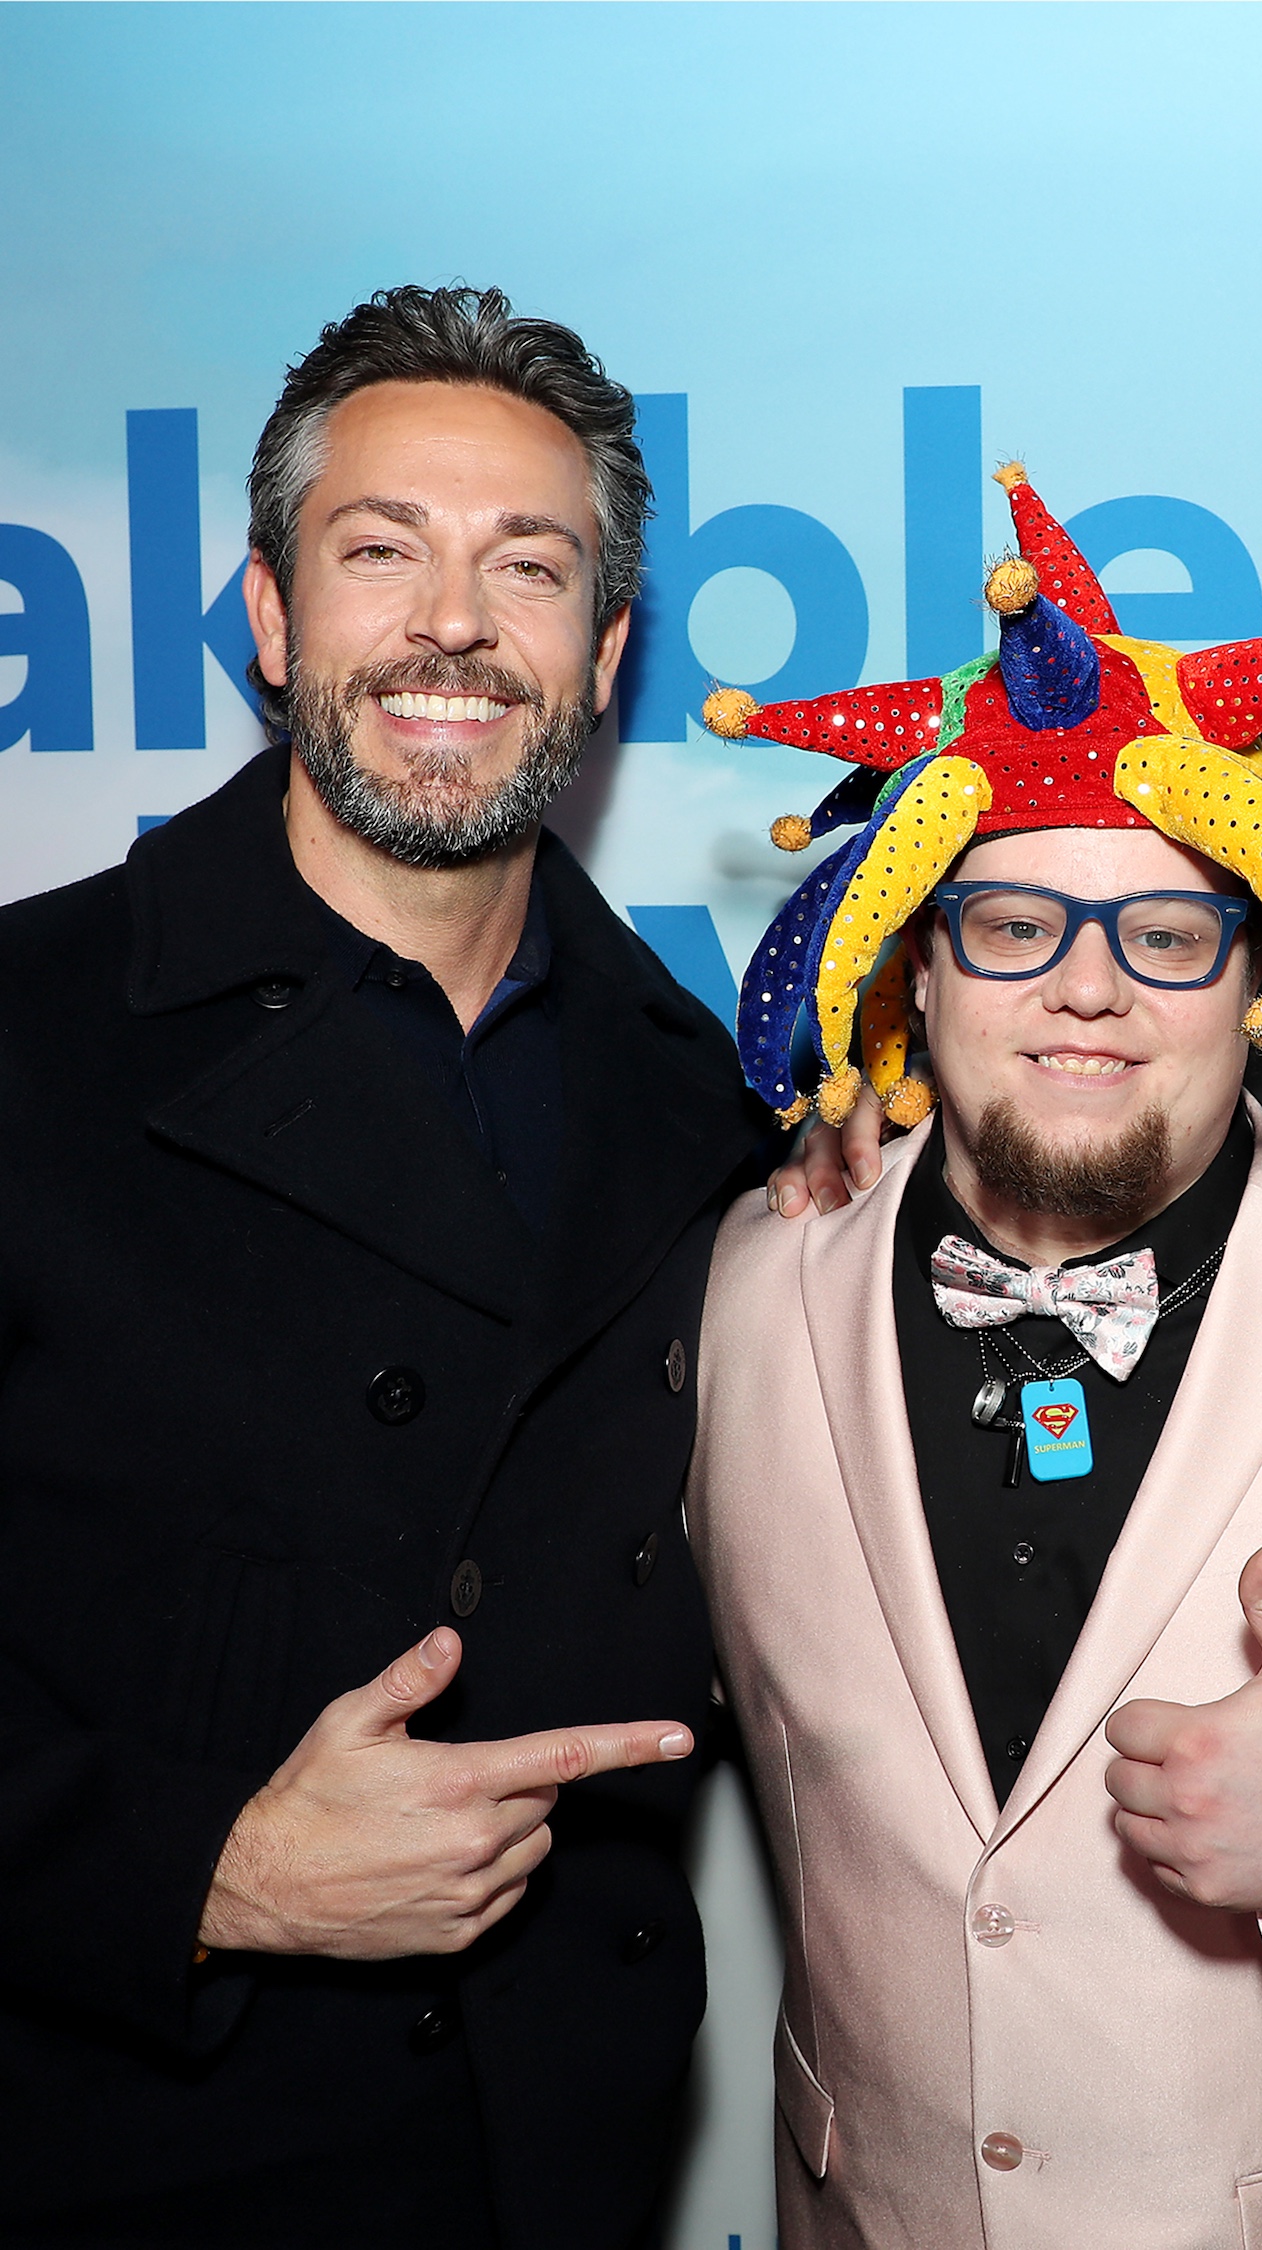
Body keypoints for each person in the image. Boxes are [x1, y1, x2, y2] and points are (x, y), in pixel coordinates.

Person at [0, 284, 786, 2250]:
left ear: (603, 656)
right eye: (383, 552)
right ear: (270, 616)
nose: (453, 624)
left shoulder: (702, 1110)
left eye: (528, 569)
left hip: (563, 2172)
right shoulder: (26, 1033)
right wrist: (202, 1870)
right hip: (118, 2155)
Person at [689, 465, 1262, 2246]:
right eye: (1014, 922)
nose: (1087, 987)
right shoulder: (745, 1287)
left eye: (1164, 930)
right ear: (922, 960)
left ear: (1256, 976)